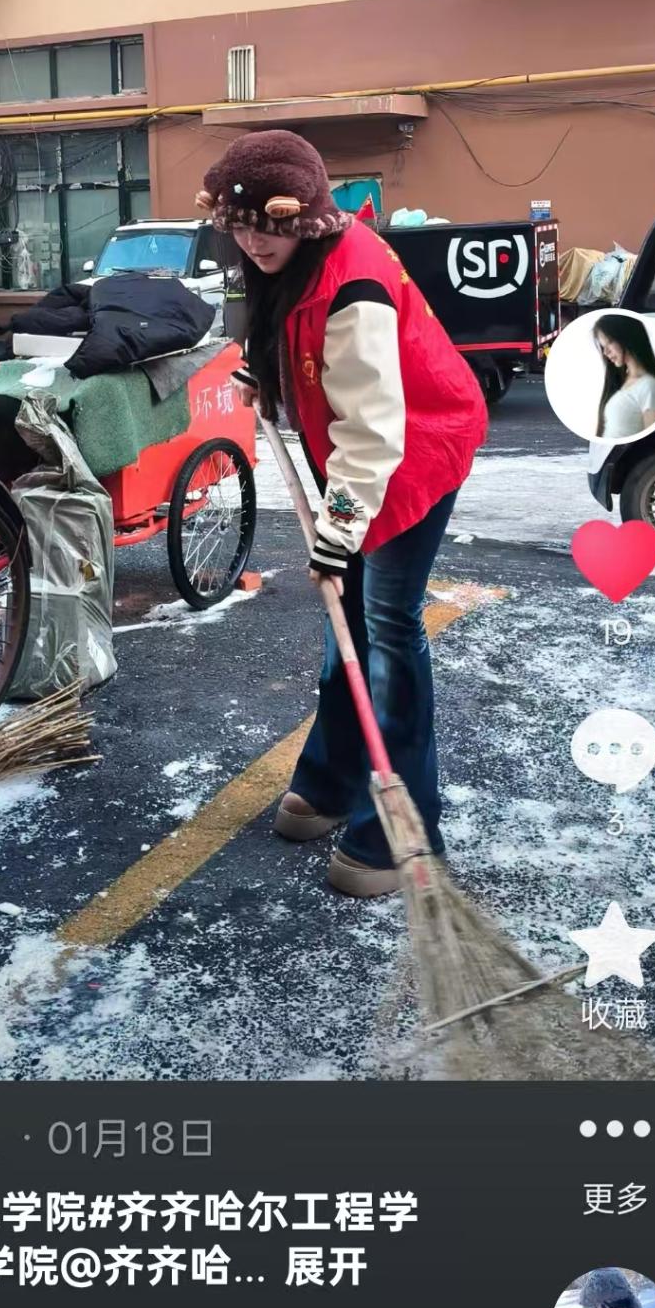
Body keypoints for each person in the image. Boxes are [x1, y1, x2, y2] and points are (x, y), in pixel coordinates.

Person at [196, 131, 487, 898]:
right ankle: (332, 780)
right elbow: (288, 325)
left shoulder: (354, 285)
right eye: (238, 226)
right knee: (344, 621)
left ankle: (404, 829)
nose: (253, 241)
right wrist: (263, 368)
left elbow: (375, 433)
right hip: (357, 453)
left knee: (386, 625)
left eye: (267, 225)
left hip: (414, 452)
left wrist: (338, 532)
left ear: (304, 215)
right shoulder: (287, 259)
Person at [593, 313, 655, 439]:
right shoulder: (623, 381)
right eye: (603, 347)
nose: (606, 352)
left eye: (609, 342)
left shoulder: (651, 387)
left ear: (626, 337)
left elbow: (652, 443)